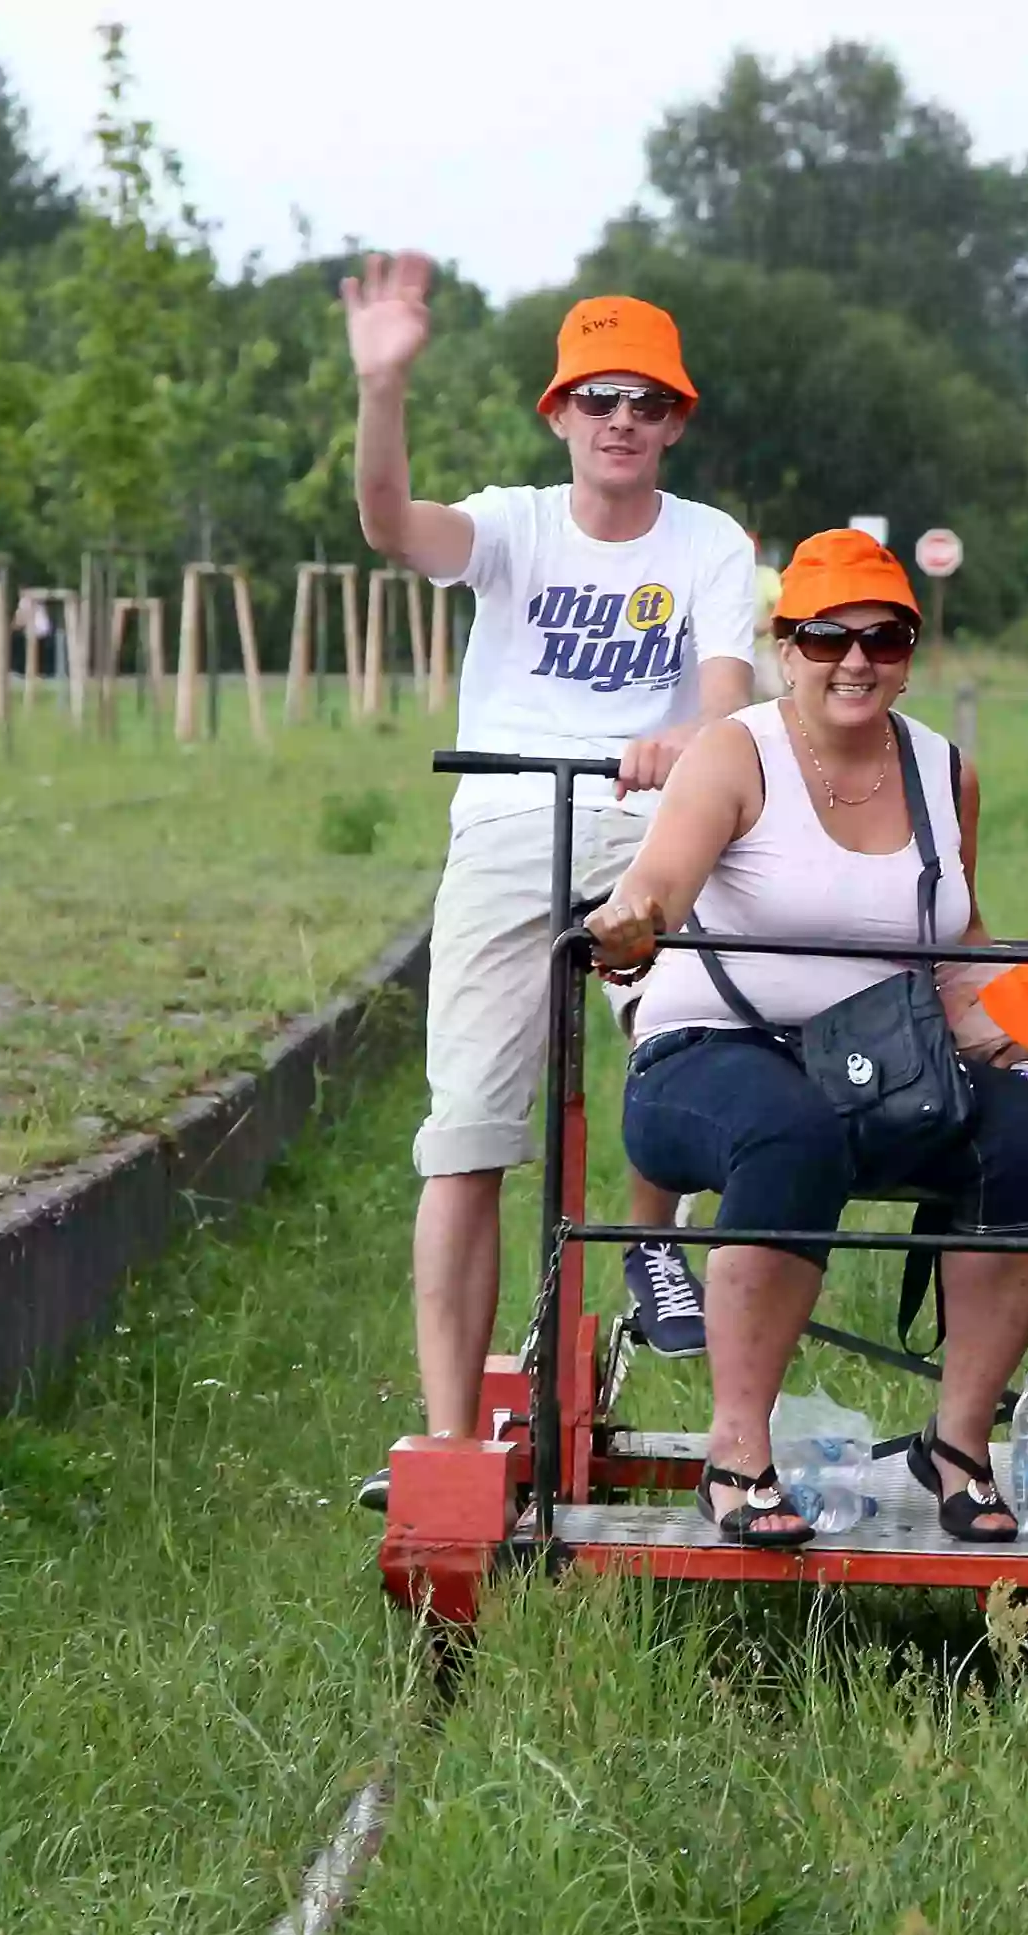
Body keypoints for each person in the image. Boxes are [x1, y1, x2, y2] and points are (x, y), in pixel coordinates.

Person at [345, 253, 757, 1487]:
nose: (620, 418)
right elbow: (390, 525)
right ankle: (450, 1435)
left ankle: (650, 1240)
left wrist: (683, 739)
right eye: (597, 397)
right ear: (560, 415)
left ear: (675, 421)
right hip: (514, 821)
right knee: (465, 1126)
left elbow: (729, 700)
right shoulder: (514, 526)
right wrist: (382, 389)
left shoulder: (710, 544)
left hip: (649, 823)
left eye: (645, 400)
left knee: (697, 1042)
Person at [584, 530, 1028, 1546]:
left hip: (881, 1063)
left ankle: (957, 1443)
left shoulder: (945, 770)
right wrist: (629, 926)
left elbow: (958, 941)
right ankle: (736, 1453)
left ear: (910, 649)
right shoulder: (735, 750)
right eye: (826, 637)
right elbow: (659, 886)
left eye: (884, 637)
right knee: (790, 1131)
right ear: (786, 647)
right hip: (710, 1053)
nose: (855, 660)